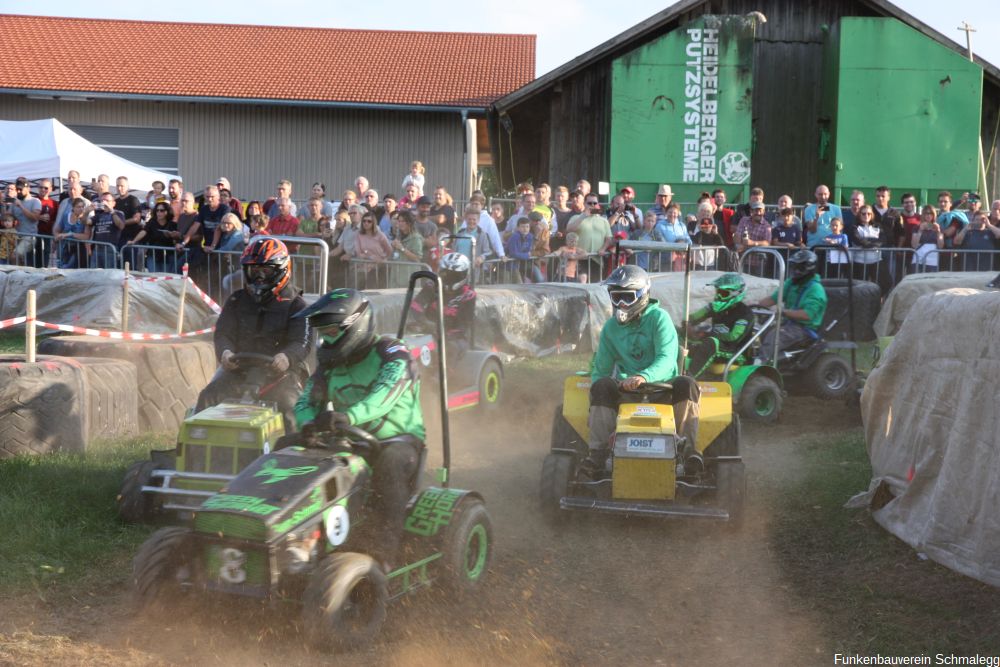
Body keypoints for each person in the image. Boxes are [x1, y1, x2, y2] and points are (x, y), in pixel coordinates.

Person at [293, 289, 424, 570]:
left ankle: (384, 555)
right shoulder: (329, 366)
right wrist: (307, 424)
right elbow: (306, 401)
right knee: (286, 447)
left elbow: (384, 395)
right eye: (322, 331)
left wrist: (348, 417)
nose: (326, 338)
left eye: (330, 330)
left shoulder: (392, 353)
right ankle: (293, 539)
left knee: (389, 465)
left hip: (398, 443)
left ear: (355, 325)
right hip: (349, 439)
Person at [582, 265, 701, 479]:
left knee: (687, 383)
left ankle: (688, 451)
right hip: (626, 392)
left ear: (643, 295)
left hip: (665, 390)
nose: (620, 304)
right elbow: (601, 370)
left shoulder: (659, 319)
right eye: (615, 297)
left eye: (626, 297)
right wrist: (595, 393)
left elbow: (666, 359)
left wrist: (643, 377)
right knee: (601, 385)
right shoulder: (610, 328)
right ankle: (598, 453)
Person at [196, 237, 311, 429]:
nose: (259, 277)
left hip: (280, 375)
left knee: (291, 407)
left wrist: (287, 357)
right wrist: (225, 352)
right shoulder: (236, 300)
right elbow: (223, 333)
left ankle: (293, 454)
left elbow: (302, 342)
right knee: (208, 397)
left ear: (281, 270)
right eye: (254, 270)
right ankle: (195, 451)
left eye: (265, 270)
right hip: (239, 370)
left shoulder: (297, 305)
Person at [755, 249, 828, 363]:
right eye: (794, 266)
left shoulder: (816, 290)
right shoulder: (792, 282)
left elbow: (807, 315)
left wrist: (784, 312)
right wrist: (754, 305)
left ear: (806, 268)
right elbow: (773, 299)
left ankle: (759, 366)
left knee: (774, 337)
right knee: (759, 331)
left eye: (797, 267)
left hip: (804, 329)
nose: (794, 270)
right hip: (788, 323)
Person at [686, 273, 755, 378]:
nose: (718, 296)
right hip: (717, 346)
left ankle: (688, 378)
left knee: (711, 342)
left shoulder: (745, 314)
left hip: (736, 352)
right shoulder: (716, 307)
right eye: (717, 292)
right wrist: (687, 324)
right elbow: (693, 318)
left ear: (736, 294)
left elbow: (733, 338)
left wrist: (707, 334)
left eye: (723, 293)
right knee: (680, 335)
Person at [410, 252, 477, 359]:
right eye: (445, 274)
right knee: (407, 343)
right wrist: (423, 321)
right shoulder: (431, 286)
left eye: (453, 275)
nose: (448, 278)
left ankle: (445, 375)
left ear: (463, 275)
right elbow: (415, 305)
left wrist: (443, 334)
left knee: (449, 349)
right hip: (427, 332)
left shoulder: (468, 296)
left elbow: (464, 325)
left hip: (455, 337)